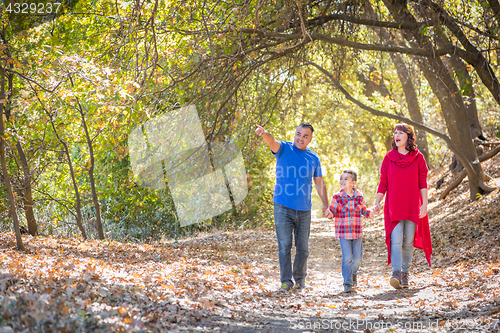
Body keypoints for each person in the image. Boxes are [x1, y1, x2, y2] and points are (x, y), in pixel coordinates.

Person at [255, 123, 330, 292]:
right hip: (282, 206)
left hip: (304, 209)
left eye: (305, 136)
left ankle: (300, 279)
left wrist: (326, 204)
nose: (300, 138)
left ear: (310, 139)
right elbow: (271, 141)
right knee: (285, 245)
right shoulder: (284, 148)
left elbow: (319, 183)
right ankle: (286, 281)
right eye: (298, 134)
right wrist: (263, 133)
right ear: (294, 134)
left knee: (303, 247)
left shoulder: (314, 158)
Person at [373, 123, 432, 289]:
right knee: (396, 240)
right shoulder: (389, 157)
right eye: (395, 133)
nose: (396, 135)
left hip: (413, 205)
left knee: (408, 242)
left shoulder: (418, 157)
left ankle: (405, 274)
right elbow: (383, 181)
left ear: (408, 136)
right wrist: (377, 201)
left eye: (401, 132)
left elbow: (423, 182)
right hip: (394, 205)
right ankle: (396, 273)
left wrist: (424, 204)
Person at [327, 170, 374, 293]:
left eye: (346, 179)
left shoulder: (359, 196)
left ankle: (353, 274)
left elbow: (364, 211)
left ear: (354, 183)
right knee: (347, 257)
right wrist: (328, 213)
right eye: (341, 178)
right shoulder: (337, 197)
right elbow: (332, 212)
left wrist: (373, 212)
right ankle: (347, 283)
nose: (342, 181)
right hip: (343, 232)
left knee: (357, 258)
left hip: (357, 232)